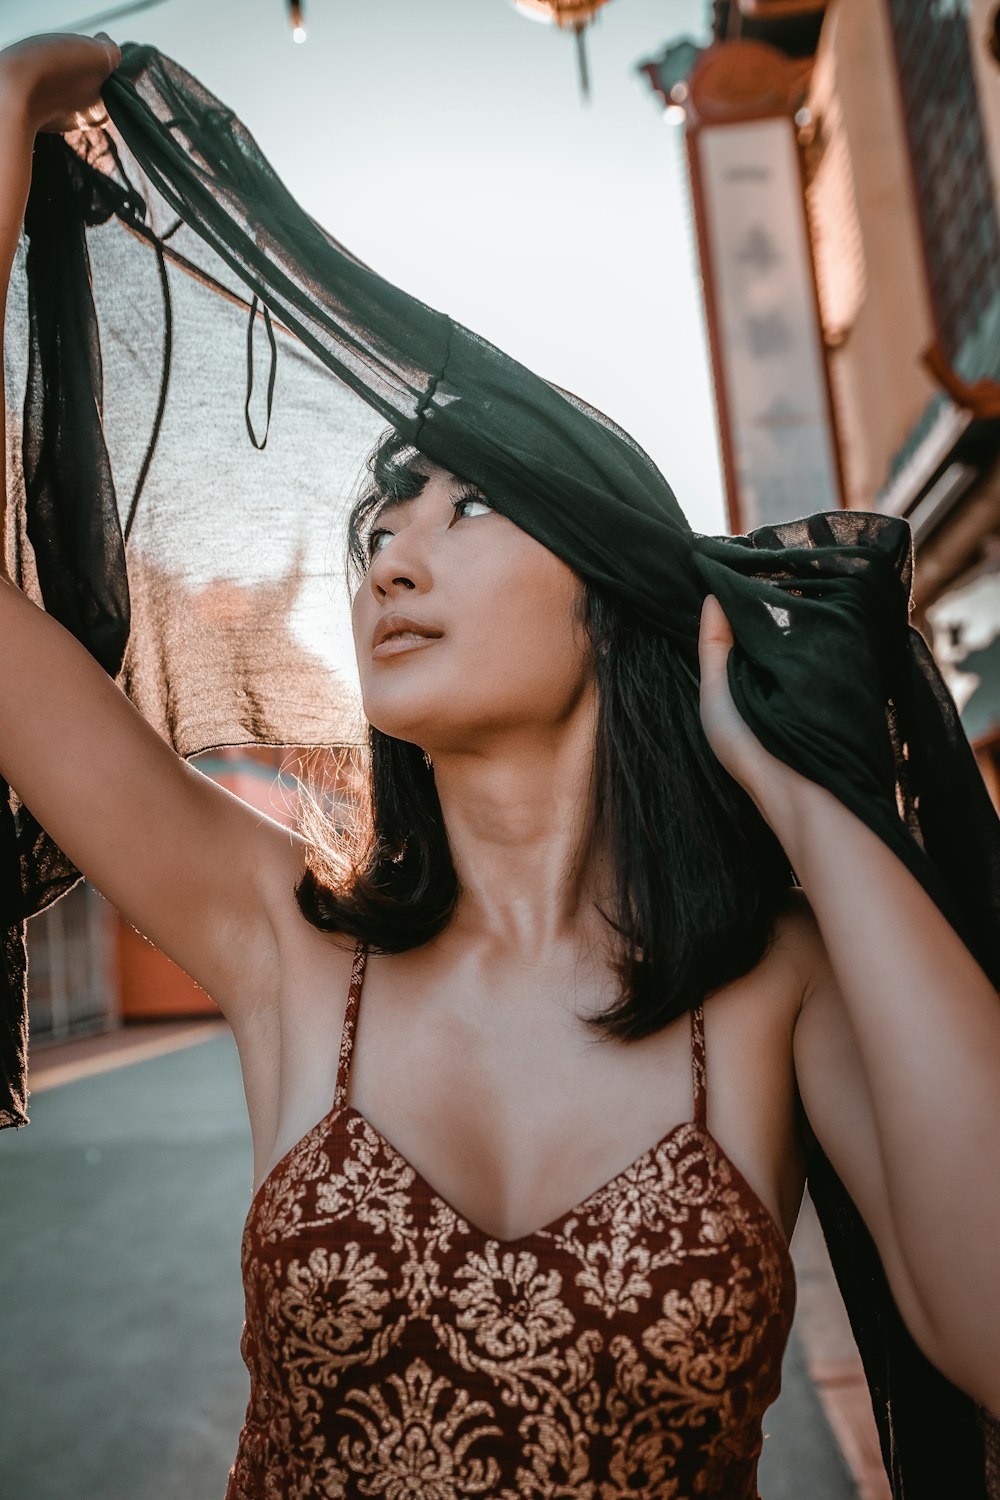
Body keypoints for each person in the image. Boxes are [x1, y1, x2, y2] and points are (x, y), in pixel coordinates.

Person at [1, 30, 999, 1500]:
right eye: (381, 523)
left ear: (608, 590)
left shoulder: (780, 982)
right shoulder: (282, 938)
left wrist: (802, 788)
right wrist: (12, 100)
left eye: (467, 510)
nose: (393, 551)